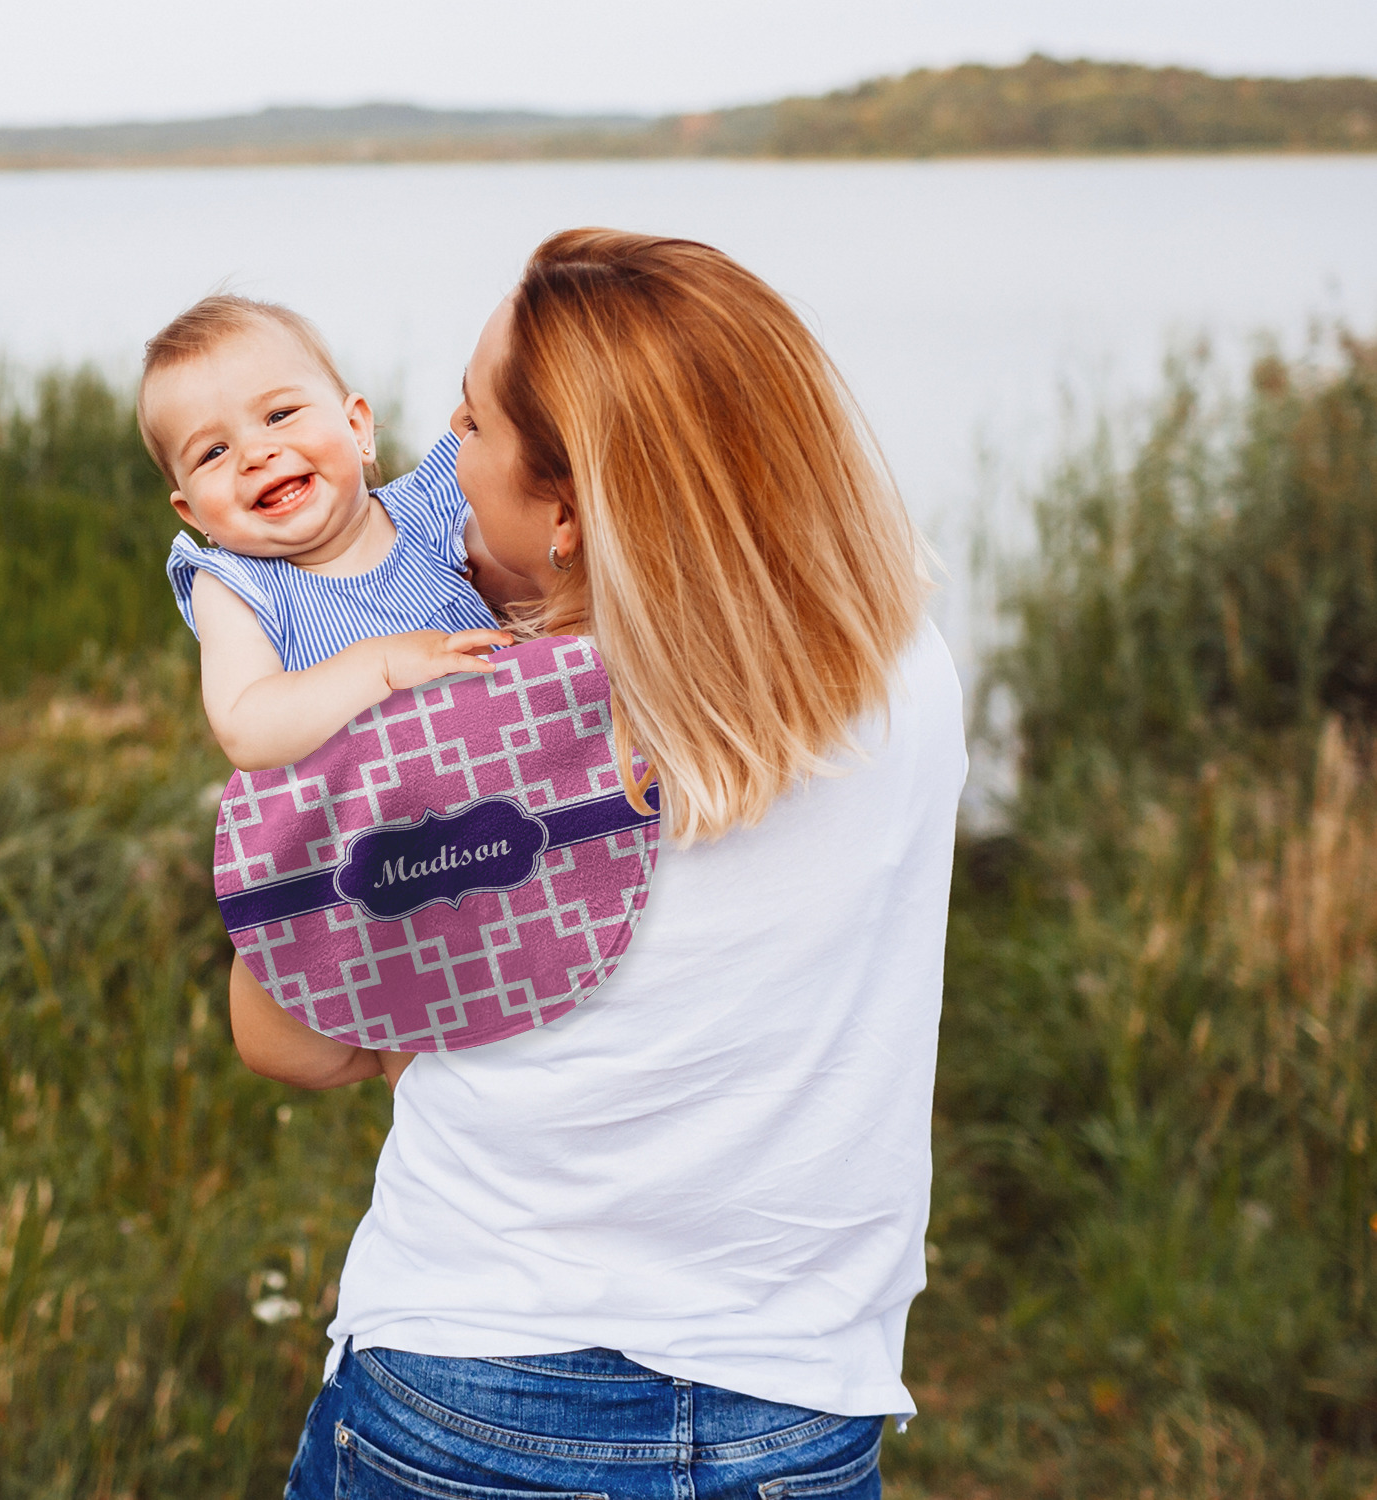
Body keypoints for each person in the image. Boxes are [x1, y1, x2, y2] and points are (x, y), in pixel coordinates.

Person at [233, 230, 967, 1500]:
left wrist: (329, 750)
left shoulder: (473, 732)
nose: (444, 445)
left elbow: (286, 1035)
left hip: (473, 1389)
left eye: (472, 422)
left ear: (569, 510)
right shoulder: (905, 665)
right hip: (797, 1401)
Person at [137, 295, 517, 776]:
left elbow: (539, 562)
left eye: (279, 415)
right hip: (377, 818)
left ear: (357, 428)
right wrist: (380, 666)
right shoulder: (236, 588)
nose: (254, 454)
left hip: (517, 771)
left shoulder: (429, 511)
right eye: (213, 452)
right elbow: (245, 727)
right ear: (193, 514)